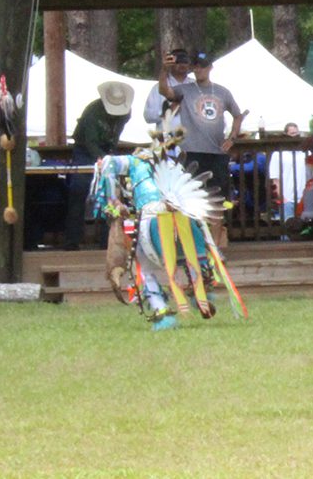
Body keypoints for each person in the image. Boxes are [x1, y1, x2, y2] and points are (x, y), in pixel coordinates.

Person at [89, 111, 246, 331]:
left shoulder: (140, 162)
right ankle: (197, 285)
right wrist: (115, 200)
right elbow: (108, 165)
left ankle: (165, 307)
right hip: (166, 215)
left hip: (153, 217)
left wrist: (114, 199)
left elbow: (107, 164)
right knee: (178, 246)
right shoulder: (151, 161)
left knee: (142, 265)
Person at [155, 51, 244, 205]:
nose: (198, 70)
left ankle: (216, 229)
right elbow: (164, 91)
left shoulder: (223, 92)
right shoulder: (184, 89)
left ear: (210, 68)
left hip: (217, 152)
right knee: (191, 200)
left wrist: (232, 138)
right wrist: (164, 70)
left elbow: (238, 115)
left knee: (217, 201)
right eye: (195, 67)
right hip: (191, 153)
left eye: (202, 66)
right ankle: (195, 229)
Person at [65, 81, 134, 249]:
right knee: (79, 189)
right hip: (85, 152)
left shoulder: (125, 113)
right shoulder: (92, 113)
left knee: (112, 194)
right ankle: (72, 240)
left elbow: (115, 136)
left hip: (106, 151)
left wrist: (109, 156)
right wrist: (103, 159)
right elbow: (89, 141)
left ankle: (107, 240)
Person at [143, 49, 194, 136]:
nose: (182, 65)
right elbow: (148, 116)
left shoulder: (195, 86)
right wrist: (166, 112)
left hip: (193, 139)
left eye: (185, 62)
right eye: (178, 62)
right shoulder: (157, 88)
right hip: (168, 141)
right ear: (171, 64)